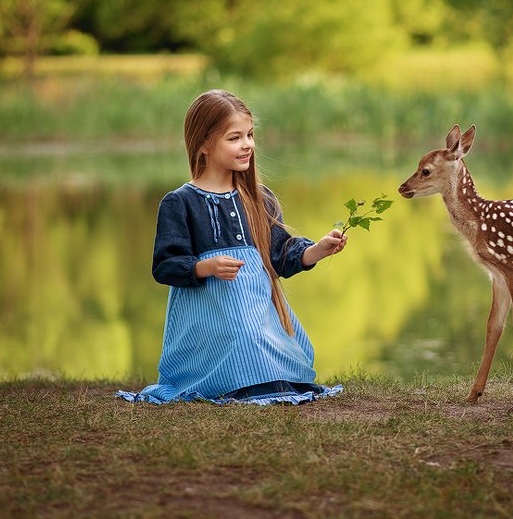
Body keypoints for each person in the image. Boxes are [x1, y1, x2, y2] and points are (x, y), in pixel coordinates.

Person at [117, 89, 347, 405]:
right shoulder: (180, 202)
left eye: (250, 135)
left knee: (282, 351)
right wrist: (204, 267)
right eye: (235, 138)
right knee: (244, 339)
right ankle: (233, 381)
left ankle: (266, 381)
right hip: (210, 316)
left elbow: (280, 256)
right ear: (204, 145)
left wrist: (317, 250)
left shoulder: (259, 198)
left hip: (257, 311)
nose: (248, 144)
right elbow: (164, 265)